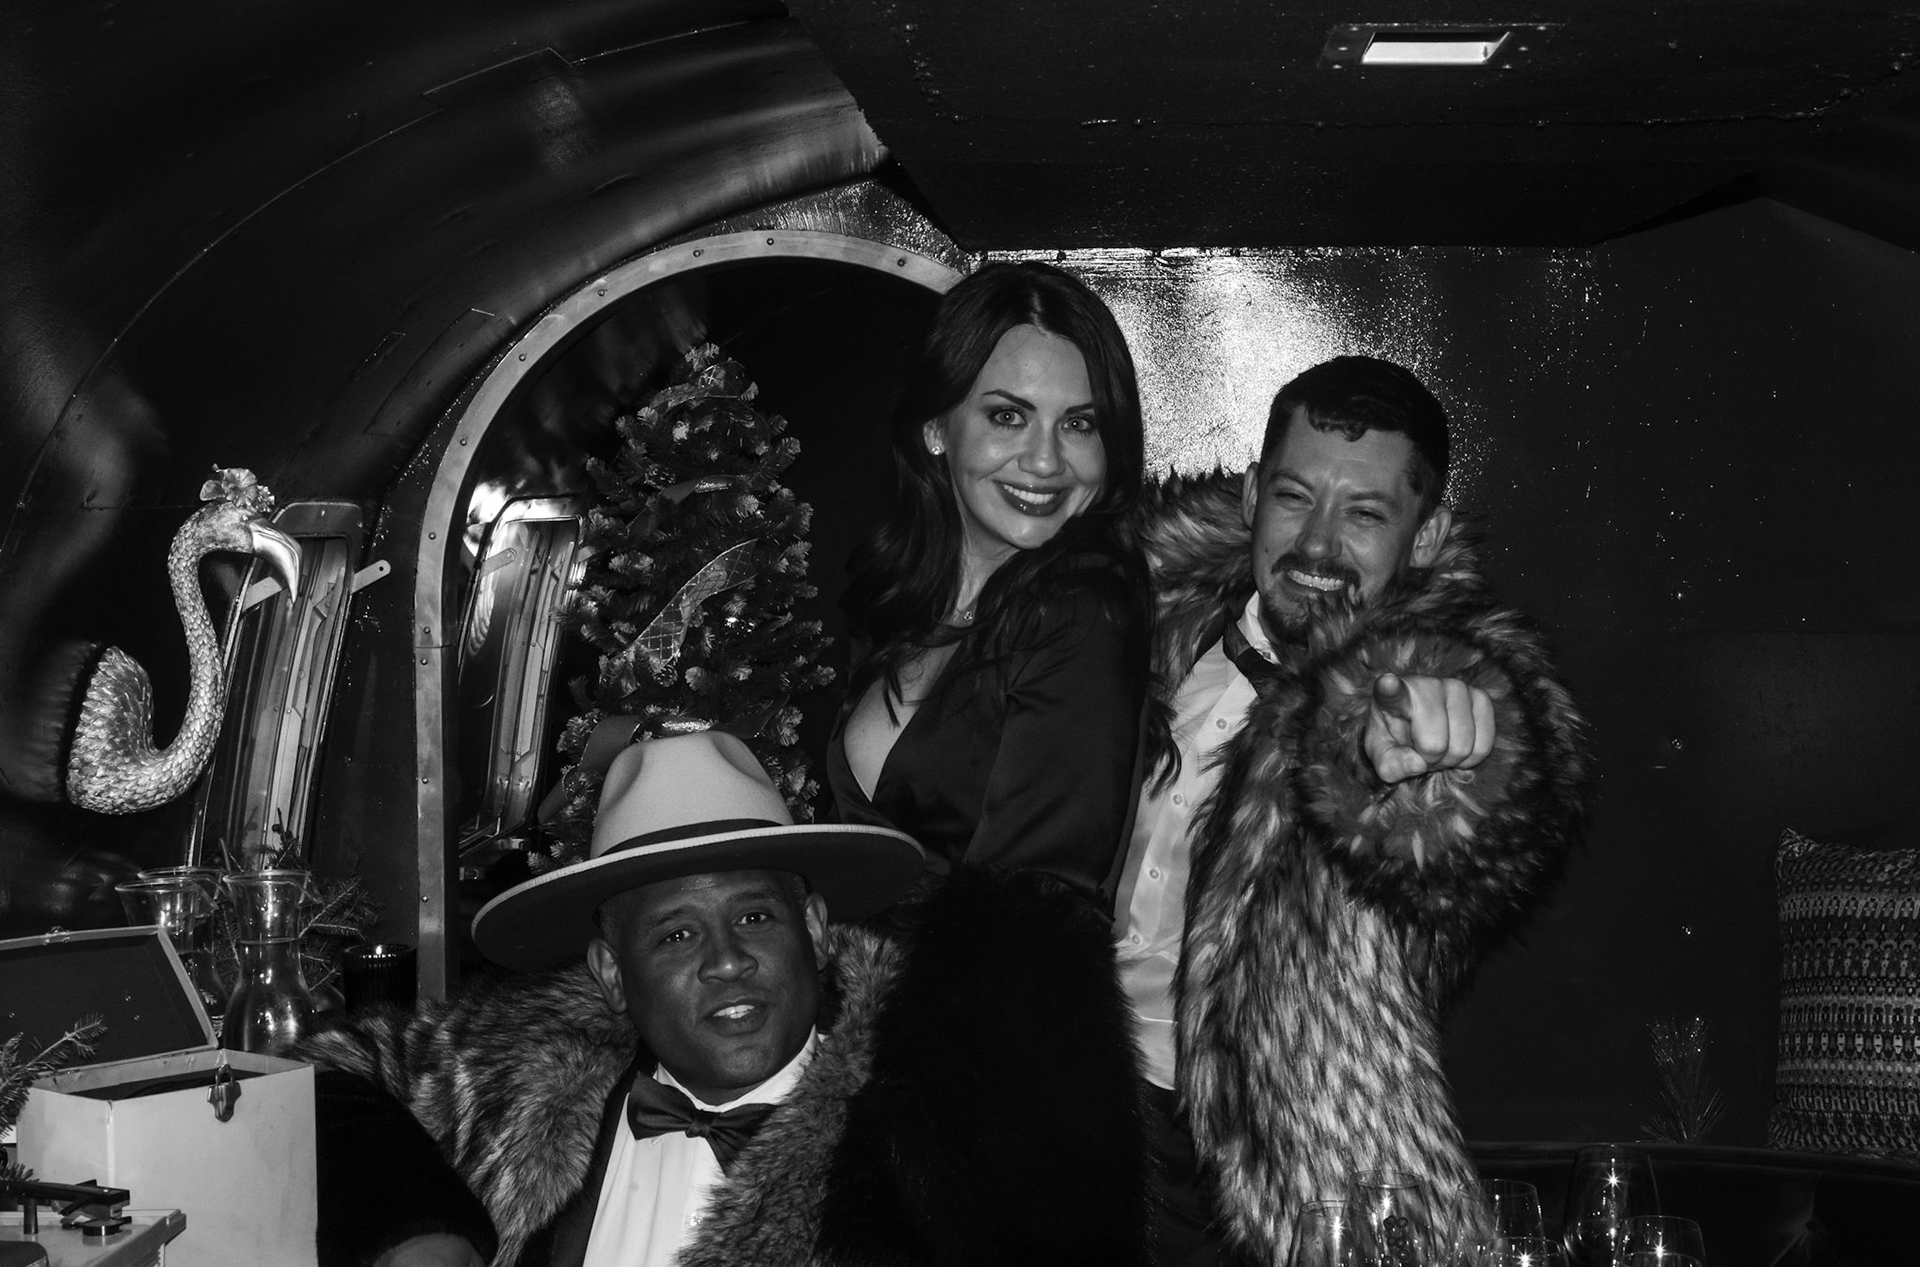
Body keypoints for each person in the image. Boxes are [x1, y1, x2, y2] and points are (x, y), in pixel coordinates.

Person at [301, 730, 1150, 1267]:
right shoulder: (525, 1072)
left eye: (754, 916)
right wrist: (422, 1232)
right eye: (676, 934)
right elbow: (319, 1077)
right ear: (610, 973)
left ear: (813, 927)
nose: (728, 960)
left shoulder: (930, 1142)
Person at [1116, 356, 1593, 1264]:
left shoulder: (1420, 685)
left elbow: (1477, 834)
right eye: (1295, 497)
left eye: (1365, 514)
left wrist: (1439, 767)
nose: (1318, 546)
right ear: (1252, 492)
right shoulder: (1129, 626)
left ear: (1426, 535)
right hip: (1077, 1125)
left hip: (1281, 1180)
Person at [831, 259, 1151, 913]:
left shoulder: (1082, 612)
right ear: (935, 428)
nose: (1045, 461)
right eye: (1009, 416)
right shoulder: (898, 601)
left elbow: (1031, 917)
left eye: (1079, 424)